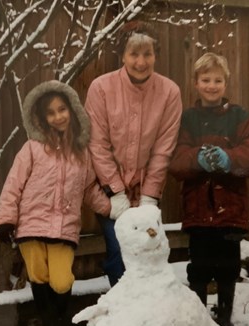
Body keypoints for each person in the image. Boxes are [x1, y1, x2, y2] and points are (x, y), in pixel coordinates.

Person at [0, 80, 111, 326]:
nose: (58, 116)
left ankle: (61, 324)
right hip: (31, 226)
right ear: (42, 118)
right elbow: (14, 185)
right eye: (51, 112)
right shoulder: (33, 149)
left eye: (62, 109)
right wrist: (5, 219)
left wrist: (114, 209)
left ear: (72, 111)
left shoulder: (82, 154)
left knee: (61, 281)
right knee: (40, 277)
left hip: (64, 229)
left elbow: (89, 191)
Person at [169, 52, 249, 326]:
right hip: (198, 210)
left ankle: (224, 320)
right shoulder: (188, 118)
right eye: (206, 80)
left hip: (230, 210)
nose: (212, 85)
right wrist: (197, 159)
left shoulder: (240, 116)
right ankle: (199, 320)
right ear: (196, 83)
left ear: (226, 83)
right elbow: (176, 160)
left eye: (217, 80)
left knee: (227, 267)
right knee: (199, 267)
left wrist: (229, 158)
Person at [85, 21, 182, 287]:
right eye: (134, 54)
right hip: (108, 190)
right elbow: (97, 144)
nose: (141, 62)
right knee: (119, 251)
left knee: (149, 251)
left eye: (147, 54)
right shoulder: (101, 88)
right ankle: (124, 313)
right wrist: (115, 192)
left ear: (156, 55)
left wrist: (150, 197)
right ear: (122, 55)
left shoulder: (169, 92)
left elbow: (164, 147)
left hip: (145, 189)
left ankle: (148, 313)